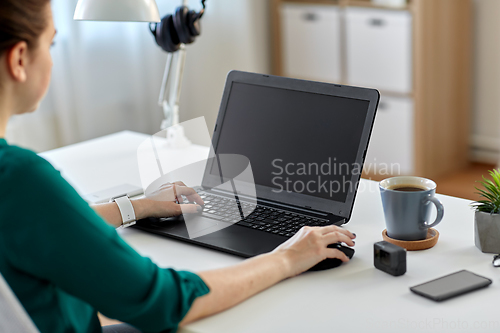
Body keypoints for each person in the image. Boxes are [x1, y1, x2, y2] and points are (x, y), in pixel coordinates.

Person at [0, 1, 356, 332]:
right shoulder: (20, 178)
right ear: (19, 59)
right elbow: (166, 301)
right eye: (51, 45)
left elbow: (47, 226)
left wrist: (137, 206)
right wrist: (286, 259)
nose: (50, 59)